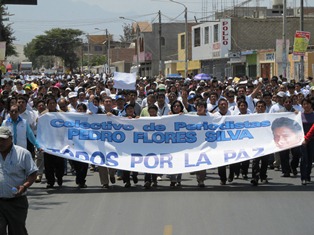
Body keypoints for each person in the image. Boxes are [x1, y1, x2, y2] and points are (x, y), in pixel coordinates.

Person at [0, 126, 38, 235]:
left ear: (11, 138)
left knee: (17, 231)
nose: (0, 142)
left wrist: (24, 186)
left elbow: (33, 173)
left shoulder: (23, 153)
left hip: (16, 202)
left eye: (3, 139)